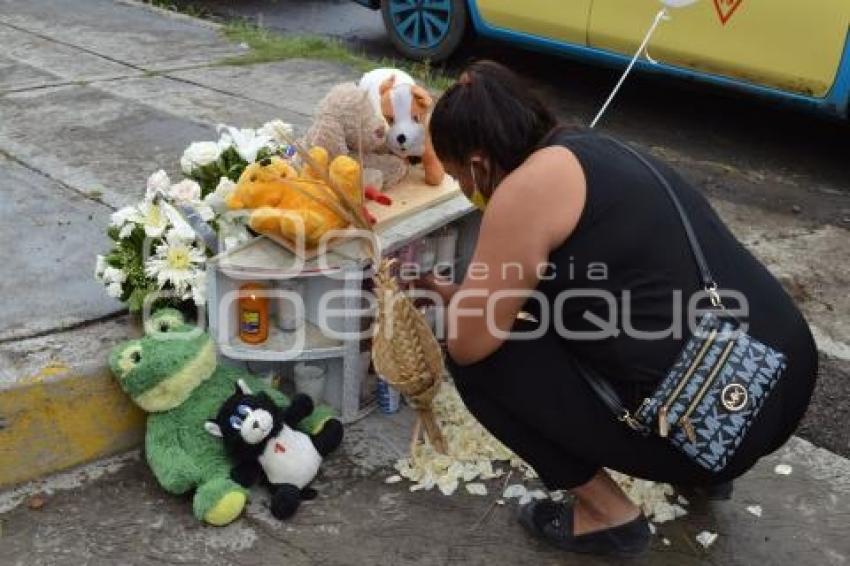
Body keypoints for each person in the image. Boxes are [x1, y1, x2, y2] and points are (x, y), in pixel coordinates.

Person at [418, 61, 818, 557]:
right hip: (780, 379)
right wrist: (465, 294)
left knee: (473, 366)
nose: (463, 189)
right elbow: (589, 296)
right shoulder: (589, 148)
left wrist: (462, 310)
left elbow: (472, 343)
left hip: (727, 417)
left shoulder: (521, 193)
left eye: (458, 176)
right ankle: (706, 473)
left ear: (478, 163)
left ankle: (606, 516)